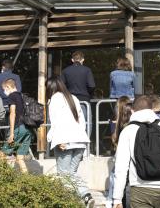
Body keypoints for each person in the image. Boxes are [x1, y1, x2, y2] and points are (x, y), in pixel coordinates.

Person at [112, 95, 160, 208]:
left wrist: (117, 199)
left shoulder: (128, 131)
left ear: (132, 110)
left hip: (140, 189)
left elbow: (121, 168)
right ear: (152, 109)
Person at [46, 77, 94, 208]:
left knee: (64, 175)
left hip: (64, 140)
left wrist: (56, 139)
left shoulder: (54, 99)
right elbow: (82, 120)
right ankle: (85, 197)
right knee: (71, 173)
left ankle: (74, 200)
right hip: (80, 140)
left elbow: (55, 121)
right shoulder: (74, 98)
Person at [0, 78, 33, 173]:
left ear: (8, 87)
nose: (4, 92)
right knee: (20, 158)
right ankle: (27, 181)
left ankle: (3, 177)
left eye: (4, 89)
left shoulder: (12, 96)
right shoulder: (22, 96)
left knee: (1, 154)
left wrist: (12, 133)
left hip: (18, 128)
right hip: (28, 129)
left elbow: (12, 113)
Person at [105, 96, 133, 208]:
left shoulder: (120, 124)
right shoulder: (129, 122)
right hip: (130, 157)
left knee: (116, 177)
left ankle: (112, 200)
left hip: (122, 156)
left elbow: (114, 140)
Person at [61, 51, 96, 122]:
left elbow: (61, 87)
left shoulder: (65, 71)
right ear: (83, 59)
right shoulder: (87, 70)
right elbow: (92, 86)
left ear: (72, 60)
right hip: (84, 100)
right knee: (86, 124)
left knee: (71, 123)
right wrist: (88, 93)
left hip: (70, 101)